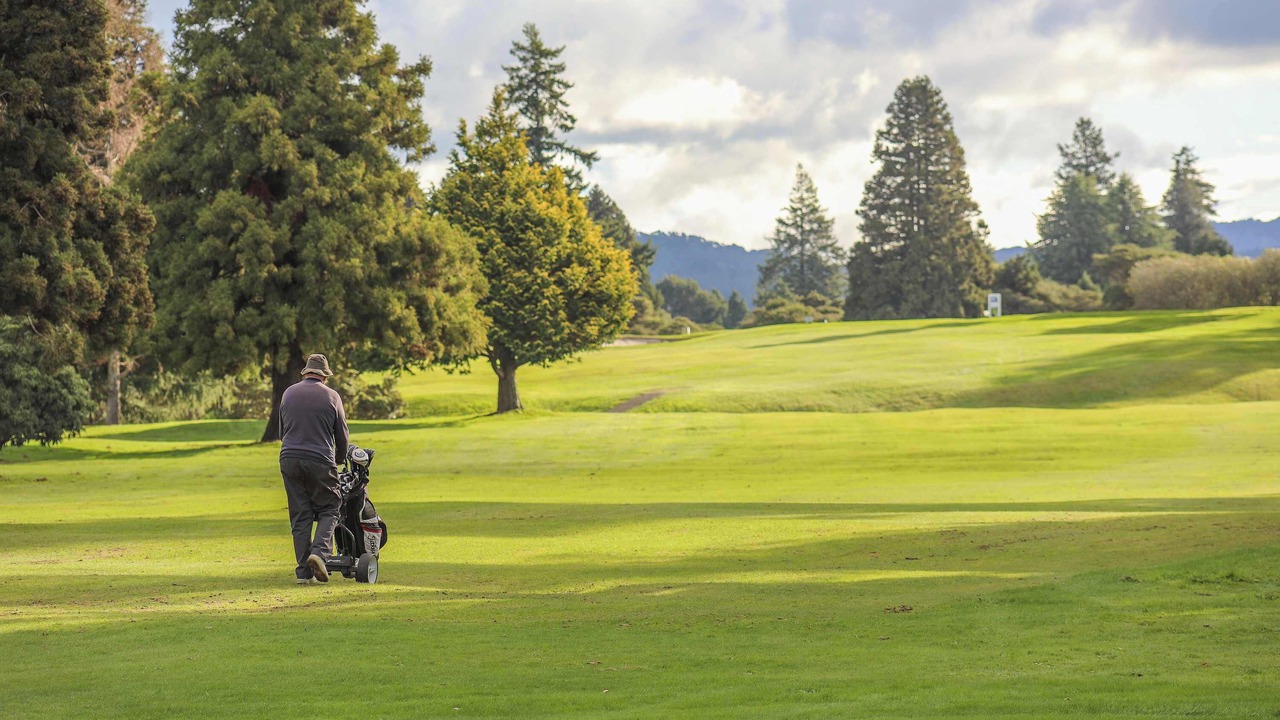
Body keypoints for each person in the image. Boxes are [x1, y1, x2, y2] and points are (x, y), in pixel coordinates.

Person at [279, 353, 349, 584]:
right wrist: (338, 460)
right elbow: (342, 435)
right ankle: (319, 553)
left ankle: (303, 574)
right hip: (319, 459)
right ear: (324, 377)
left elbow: (282, 432)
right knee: (331, 507)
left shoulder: (288, 392)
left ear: (305, 373)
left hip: (289, 458)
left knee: (300, 516)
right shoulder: (332, 396)